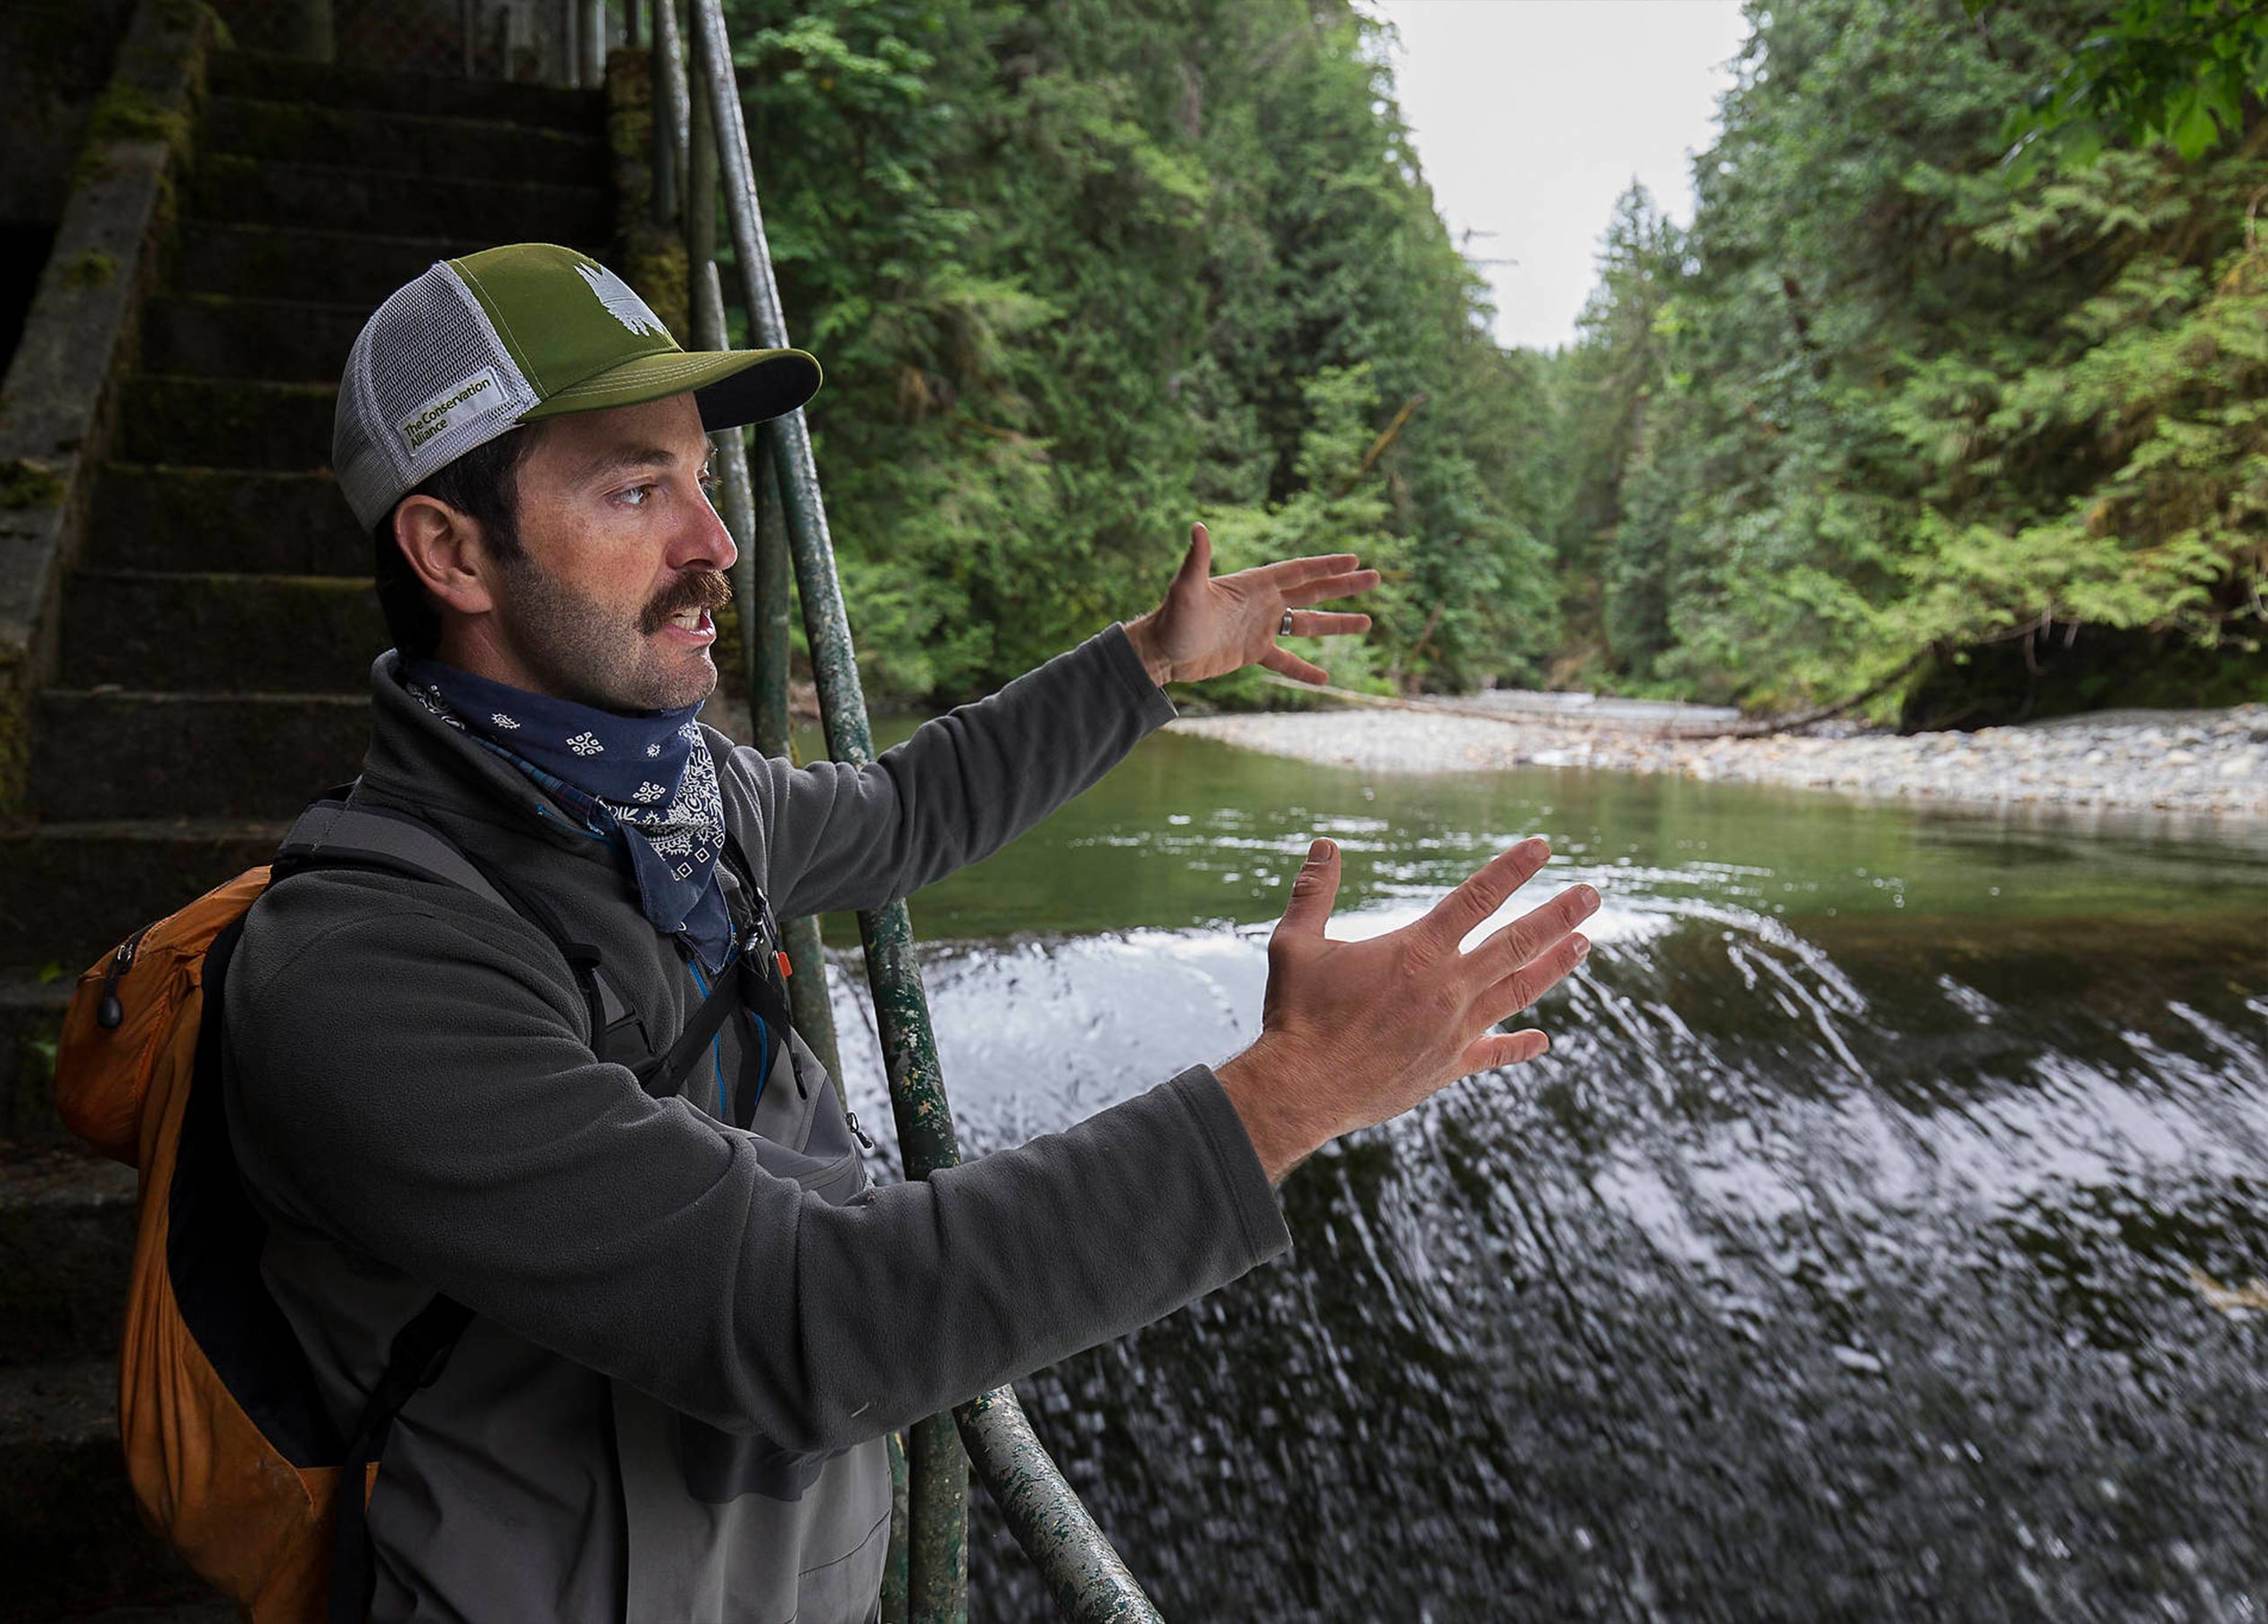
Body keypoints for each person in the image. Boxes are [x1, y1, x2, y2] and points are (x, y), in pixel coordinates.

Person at [222, 242, 1600, 1621]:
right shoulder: (364, 971)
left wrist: (1148, 662)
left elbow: (901, 813)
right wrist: (1291, 1092)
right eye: (635, 488)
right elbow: (805, 1318)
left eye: (704, 478)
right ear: (451, 550)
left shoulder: (688, 801)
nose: (714, 544)